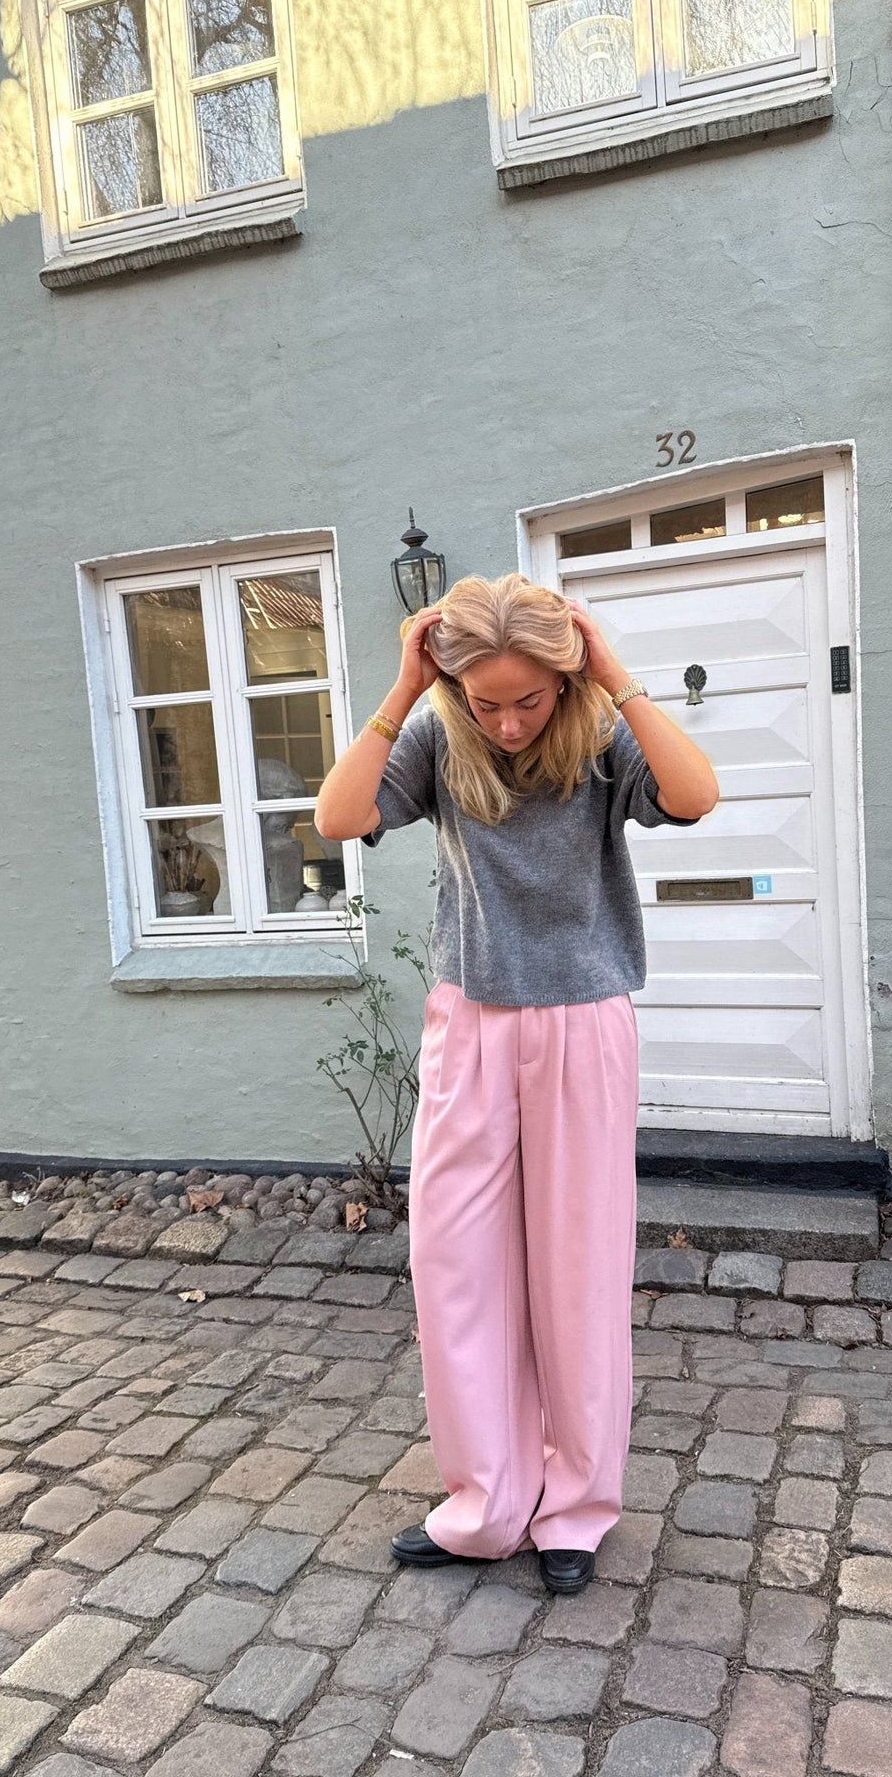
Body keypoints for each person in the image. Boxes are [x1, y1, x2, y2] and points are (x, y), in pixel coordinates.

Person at [313, 573, 718, 1594]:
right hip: (472, 1020)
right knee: (455, 1263)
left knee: (578, 1269)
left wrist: (613, 672)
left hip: (582, 1021)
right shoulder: (439, 737)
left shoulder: (599, 737)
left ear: (563, 680)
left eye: (526, 699)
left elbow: (695, 794)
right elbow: (337, 816)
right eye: (484, 699)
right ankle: (486, 1506)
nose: (505, 721)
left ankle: (574, 1509)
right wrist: (406, 690)